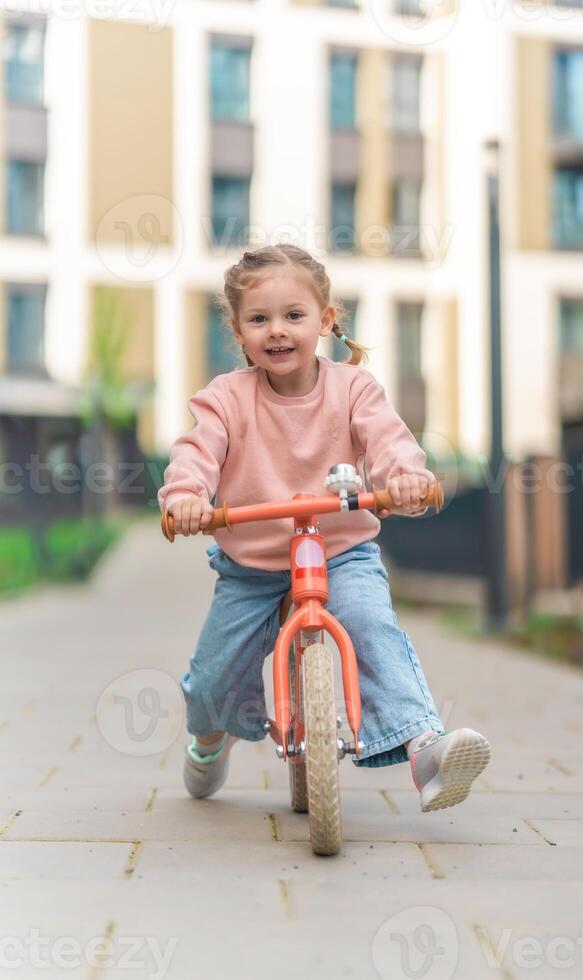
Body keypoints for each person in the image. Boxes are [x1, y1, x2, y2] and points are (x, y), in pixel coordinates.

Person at [158, 243, 490, 812]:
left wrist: (405, 477)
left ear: (326, 321)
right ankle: (212, 738)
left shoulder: (354, 388)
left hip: (339, 548)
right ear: (238, 332)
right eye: (259, 319)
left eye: (294, 315)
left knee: (370, 625)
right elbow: (197, 452)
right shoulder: (227, 398)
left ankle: (426, 751)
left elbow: (387, 440)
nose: (277, 331)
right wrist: (187, 495)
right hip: (253, 562)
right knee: (217, 672)